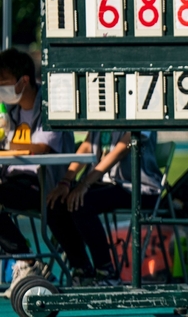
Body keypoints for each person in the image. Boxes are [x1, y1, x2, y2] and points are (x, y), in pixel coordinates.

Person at [0, 48, 75, 298]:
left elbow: (44, 147)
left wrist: (6, 144)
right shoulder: (9, 113)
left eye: (3, 82)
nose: (1, 88)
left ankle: (27, 261)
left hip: (43, 185)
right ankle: (27, 262)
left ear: (24, 80)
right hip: (13, 180)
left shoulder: (50, 105)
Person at [46, 131, 162, 285]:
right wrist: (66, 181)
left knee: (82, 203)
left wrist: (84, 183)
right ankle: (82, 269)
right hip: (103, 183)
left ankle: (106, 272)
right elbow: (88, 145)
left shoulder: (138, 109)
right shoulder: (102, 108)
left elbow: (122, 149)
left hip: (138, 187)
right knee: (55, 203)